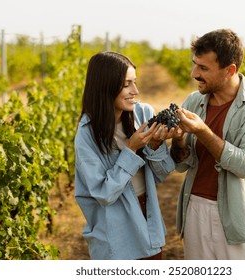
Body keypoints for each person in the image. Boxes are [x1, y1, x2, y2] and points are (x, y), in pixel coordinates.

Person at [170, 29, 245, 260]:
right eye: (194, 64)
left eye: (203, 68)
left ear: (230, 70)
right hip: (196, 210)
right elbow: (182, 164)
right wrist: (179, 139)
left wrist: (202, 130)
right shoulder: (193, 101)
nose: (194, 74)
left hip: (239, 216)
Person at [74, 51, 179, 260]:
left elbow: (159, 175)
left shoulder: (143, 114)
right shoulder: (87, 134)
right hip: (114, 233)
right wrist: (130, 150)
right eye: (126, 84)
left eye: (135, 82)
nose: (136, 91)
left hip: (148, 220)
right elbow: (104, 194)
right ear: (105, 86)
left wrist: (157, 145)